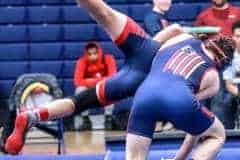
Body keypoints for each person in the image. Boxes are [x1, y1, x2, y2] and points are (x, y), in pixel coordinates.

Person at [5, 1, 235, 160]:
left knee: (103, 13)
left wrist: (154, 28)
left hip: (146, 52)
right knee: (79, 102)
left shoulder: (184, 36)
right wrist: (180, 156)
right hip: (147, 80)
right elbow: (188, 111)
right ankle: (35, 115)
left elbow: (165, 38)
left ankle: (34, 115)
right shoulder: (212, 77)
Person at [74, 41, 117, 130]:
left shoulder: (109, 58)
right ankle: (86, 120)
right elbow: (77, 81)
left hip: (103, 87)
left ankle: (108, 118)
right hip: (89, 90)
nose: (93, 56)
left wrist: (90, 81)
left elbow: (113, 78)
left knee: (112, 87)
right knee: (79, 90)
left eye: (95, 53)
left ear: (99, 51)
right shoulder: (81, 61)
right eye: (89, 54)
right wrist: (99, 81)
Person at [221, 20, 240, 129]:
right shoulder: (228, 57)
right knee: (224, 101)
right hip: (236, 89)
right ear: (233, 37)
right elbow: (229, 85)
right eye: (238, 36)